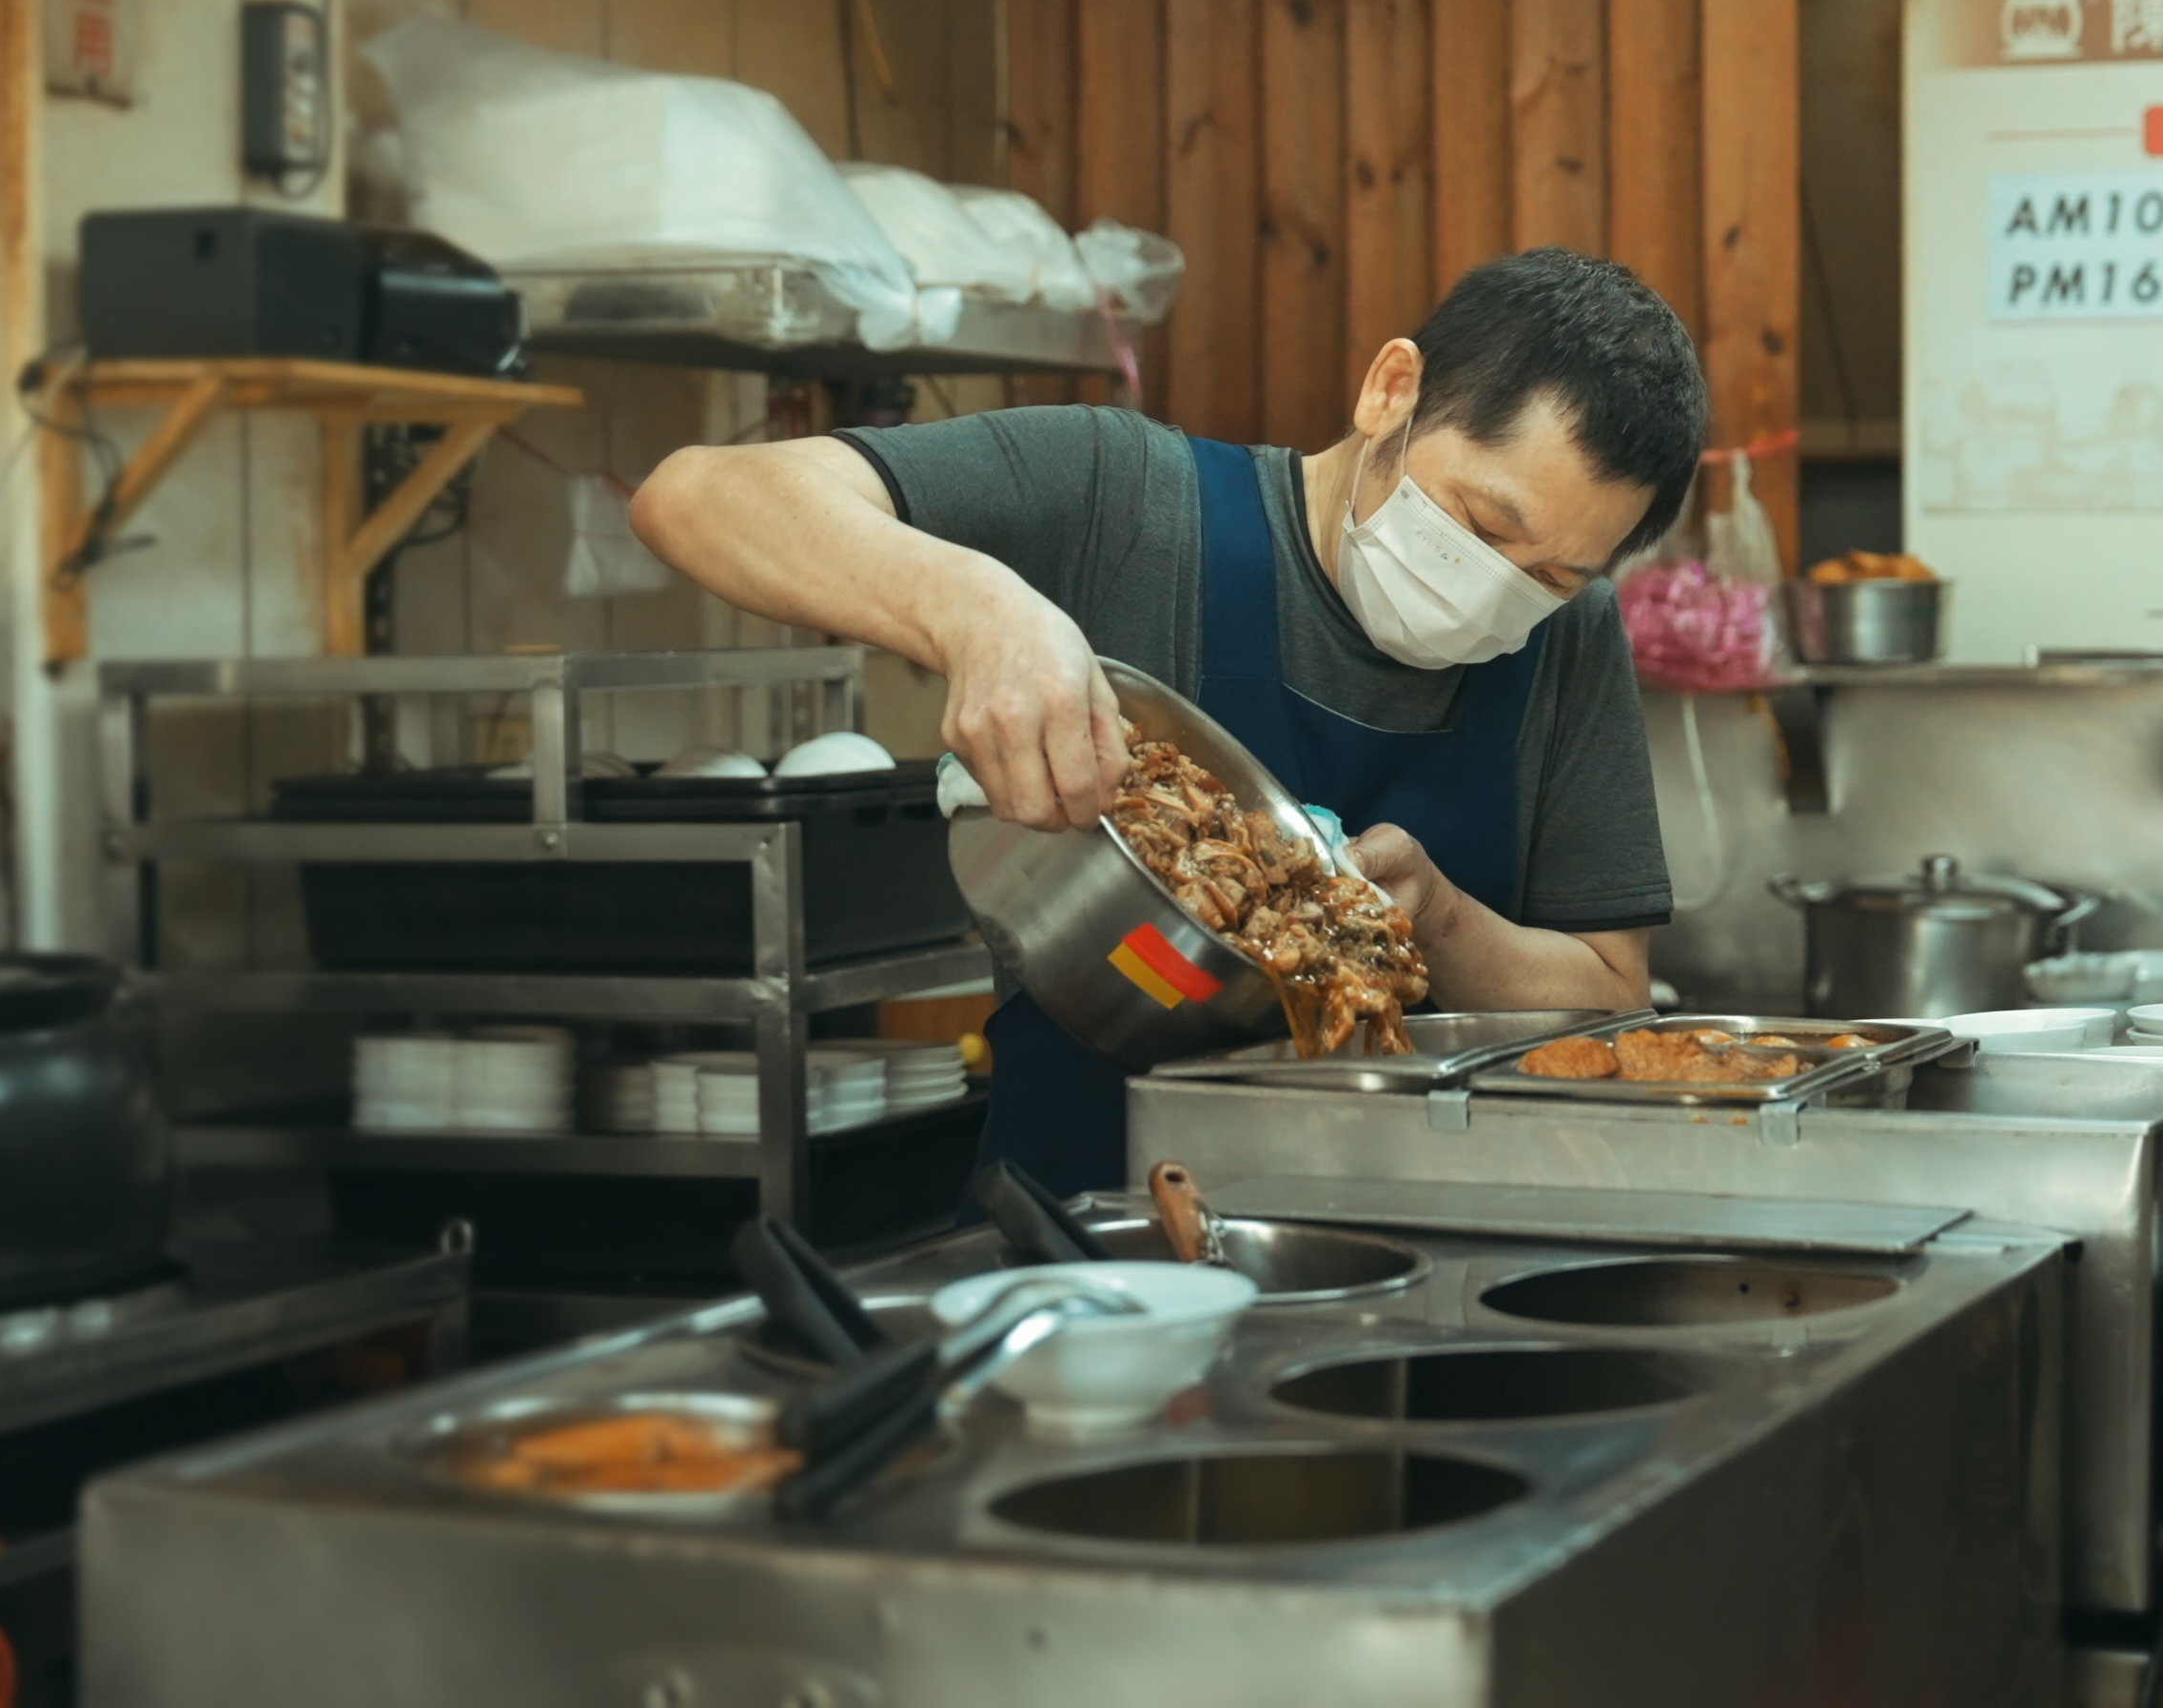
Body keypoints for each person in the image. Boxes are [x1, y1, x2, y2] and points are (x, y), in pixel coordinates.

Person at [633, 247, 1710, 1198]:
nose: (1497, 591)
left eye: (1554, 575)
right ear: (1392, 392)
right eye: (1481, 523)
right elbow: (697, 495)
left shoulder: (1567, 640)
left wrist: (1435, 918)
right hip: (1090, 1230)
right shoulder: (1127, 501)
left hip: (1418, 1238)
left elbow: (1611, 997)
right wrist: (978, 612)